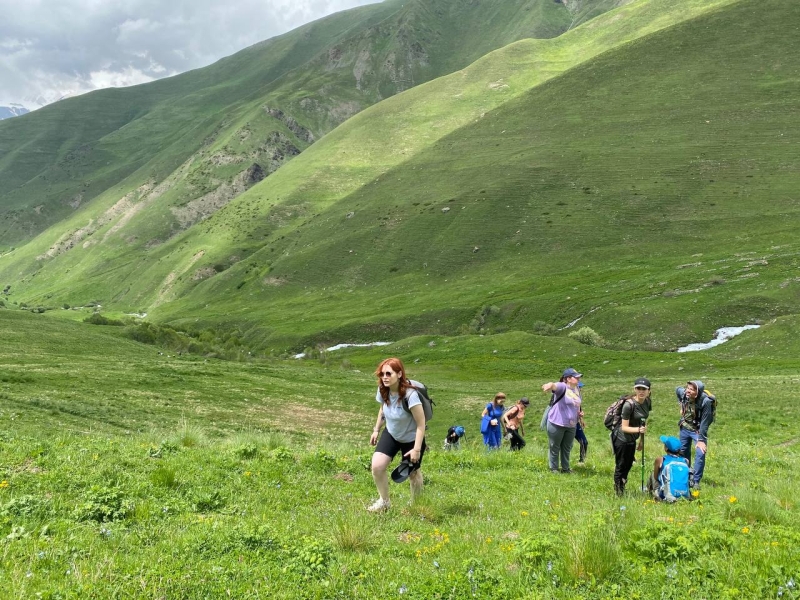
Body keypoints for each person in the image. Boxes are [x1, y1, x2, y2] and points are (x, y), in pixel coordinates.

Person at [368, 357, 426, 512]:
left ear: (399, 374)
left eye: (388, 373)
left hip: (412, 438)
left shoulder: (410, 395)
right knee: (377, 466)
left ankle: (417, 506)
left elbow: (421, 424)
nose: (384, 377)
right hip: (392, 433)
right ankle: (384, 502)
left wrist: (416, 449)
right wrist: (376, 429)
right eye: (382, 374)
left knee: (413, 473)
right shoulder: (383, 389)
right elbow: (383, 409)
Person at [611, 377, 652, 496]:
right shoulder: (628, 405)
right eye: (638, 388)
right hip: (622, 439)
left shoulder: (647, 402)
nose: (641, 391)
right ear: (634, 389)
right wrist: (639, 430)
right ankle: (619, 491)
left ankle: (622, 484)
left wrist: (641, 441)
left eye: (644, 389)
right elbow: (624, 427)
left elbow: (644, 420)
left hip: (632, 439)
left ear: (649, 390)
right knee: (621, 465)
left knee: (628, 464)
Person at [541, 368, 583, 473]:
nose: (579, 378)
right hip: (557, 422)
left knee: (567, 447)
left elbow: (576, 404)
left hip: (571, 424)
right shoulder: (562, 386)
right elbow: (554, 385)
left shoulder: (577, 388)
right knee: (555, 446)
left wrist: (579, 414)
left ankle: (565, 468)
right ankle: (554, 468)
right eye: (576, 376)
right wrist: (548, 385)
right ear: (568, 378)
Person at [675, 380, 714, 489]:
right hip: (684, 427)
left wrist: (701, 440)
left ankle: (696, 480)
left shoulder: (705, 402)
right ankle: (687, 476)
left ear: (698, 392)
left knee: (700, 453)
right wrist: (681, 405)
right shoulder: (683, 393)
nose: (688, 391)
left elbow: (705, 423)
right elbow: (677, 389)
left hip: (697, 430)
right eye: (688, 388)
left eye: (692, 389)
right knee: (683, 452)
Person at [648, 435, 691, 502]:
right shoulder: (685, 461)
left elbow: (656, 477)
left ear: (666, 448)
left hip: (665, 496)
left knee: (653, 473)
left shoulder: (660, 460)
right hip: (685, 496)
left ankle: (647, 490)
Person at [575, 379, 588, 464]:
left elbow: (579, 409)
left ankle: (581, 461)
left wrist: (581, 420)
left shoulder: (579, 397)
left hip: (576, 423)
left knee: (584, 442)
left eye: (581, 387)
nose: (580, 389)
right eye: (579, 387)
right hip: (566, 424)